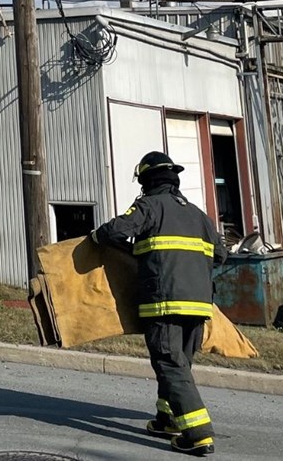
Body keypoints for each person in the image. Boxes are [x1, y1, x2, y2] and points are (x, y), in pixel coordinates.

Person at [91, 151, 228, 457]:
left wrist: (97, 237)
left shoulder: (148, 206)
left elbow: (114, 231)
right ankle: (168, 418)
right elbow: (221, 255)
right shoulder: (198, 215)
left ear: (146, 180)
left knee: (168, 363)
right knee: (180, 363)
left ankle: (198, 433)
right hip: (199, 307)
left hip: (165, 303)